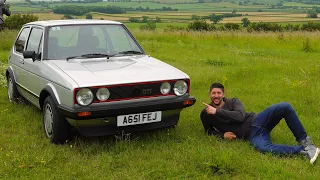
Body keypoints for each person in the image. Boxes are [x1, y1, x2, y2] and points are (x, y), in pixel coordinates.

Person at [200, 82, 320, 164]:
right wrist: (222, 135)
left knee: (285, 106)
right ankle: (303, 151)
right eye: (213, 93)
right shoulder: (205, 114)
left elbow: (240, 116)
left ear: (223, 94)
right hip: (252, 135)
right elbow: (208, 131)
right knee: (262, 147)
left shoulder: (234, 101)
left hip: (258, 120)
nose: (216, 96)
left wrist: (217, 111)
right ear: (209, 95)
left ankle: (306, 142)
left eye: (218, 93)